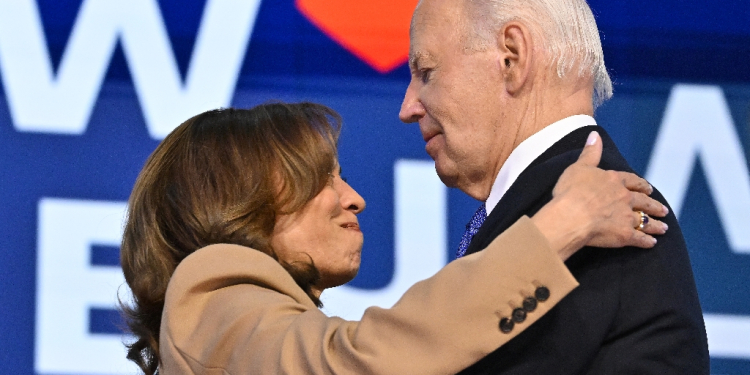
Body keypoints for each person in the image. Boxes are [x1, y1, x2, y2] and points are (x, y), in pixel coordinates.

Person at [120, 102, 667, 375]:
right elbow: (362, 361)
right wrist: (558, 229)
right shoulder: (211, 287)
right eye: (321, 178)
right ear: (236, 198)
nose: (352, 197)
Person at [399, 0, 709, 374]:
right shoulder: (561, 202)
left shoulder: (594, 213)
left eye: (426, 72)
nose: (408, 107)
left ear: (511, 57)